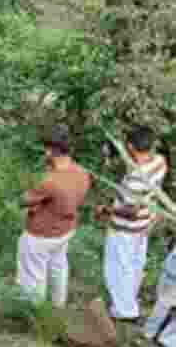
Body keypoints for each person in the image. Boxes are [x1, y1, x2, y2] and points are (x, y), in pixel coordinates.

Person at [94, 126, 167, 323]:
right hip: (144, 226)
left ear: (131, 147)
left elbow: (131, 212)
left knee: (117, 268)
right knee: (134, 266)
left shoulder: (134, 180)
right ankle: (129, 303)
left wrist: (106, 210)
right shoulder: (160, 162)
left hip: (125, 228)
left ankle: (124, 310)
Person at [17, 124, 92, 307]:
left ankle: (36, 312)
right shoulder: (83, 173)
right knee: (58, 266)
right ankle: (58, 305)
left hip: (41, 234)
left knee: (33, 276)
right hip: (65, 230)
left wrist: (30, 193)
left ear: (49, 150)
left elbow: (24, 200)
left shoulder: (50, 181)